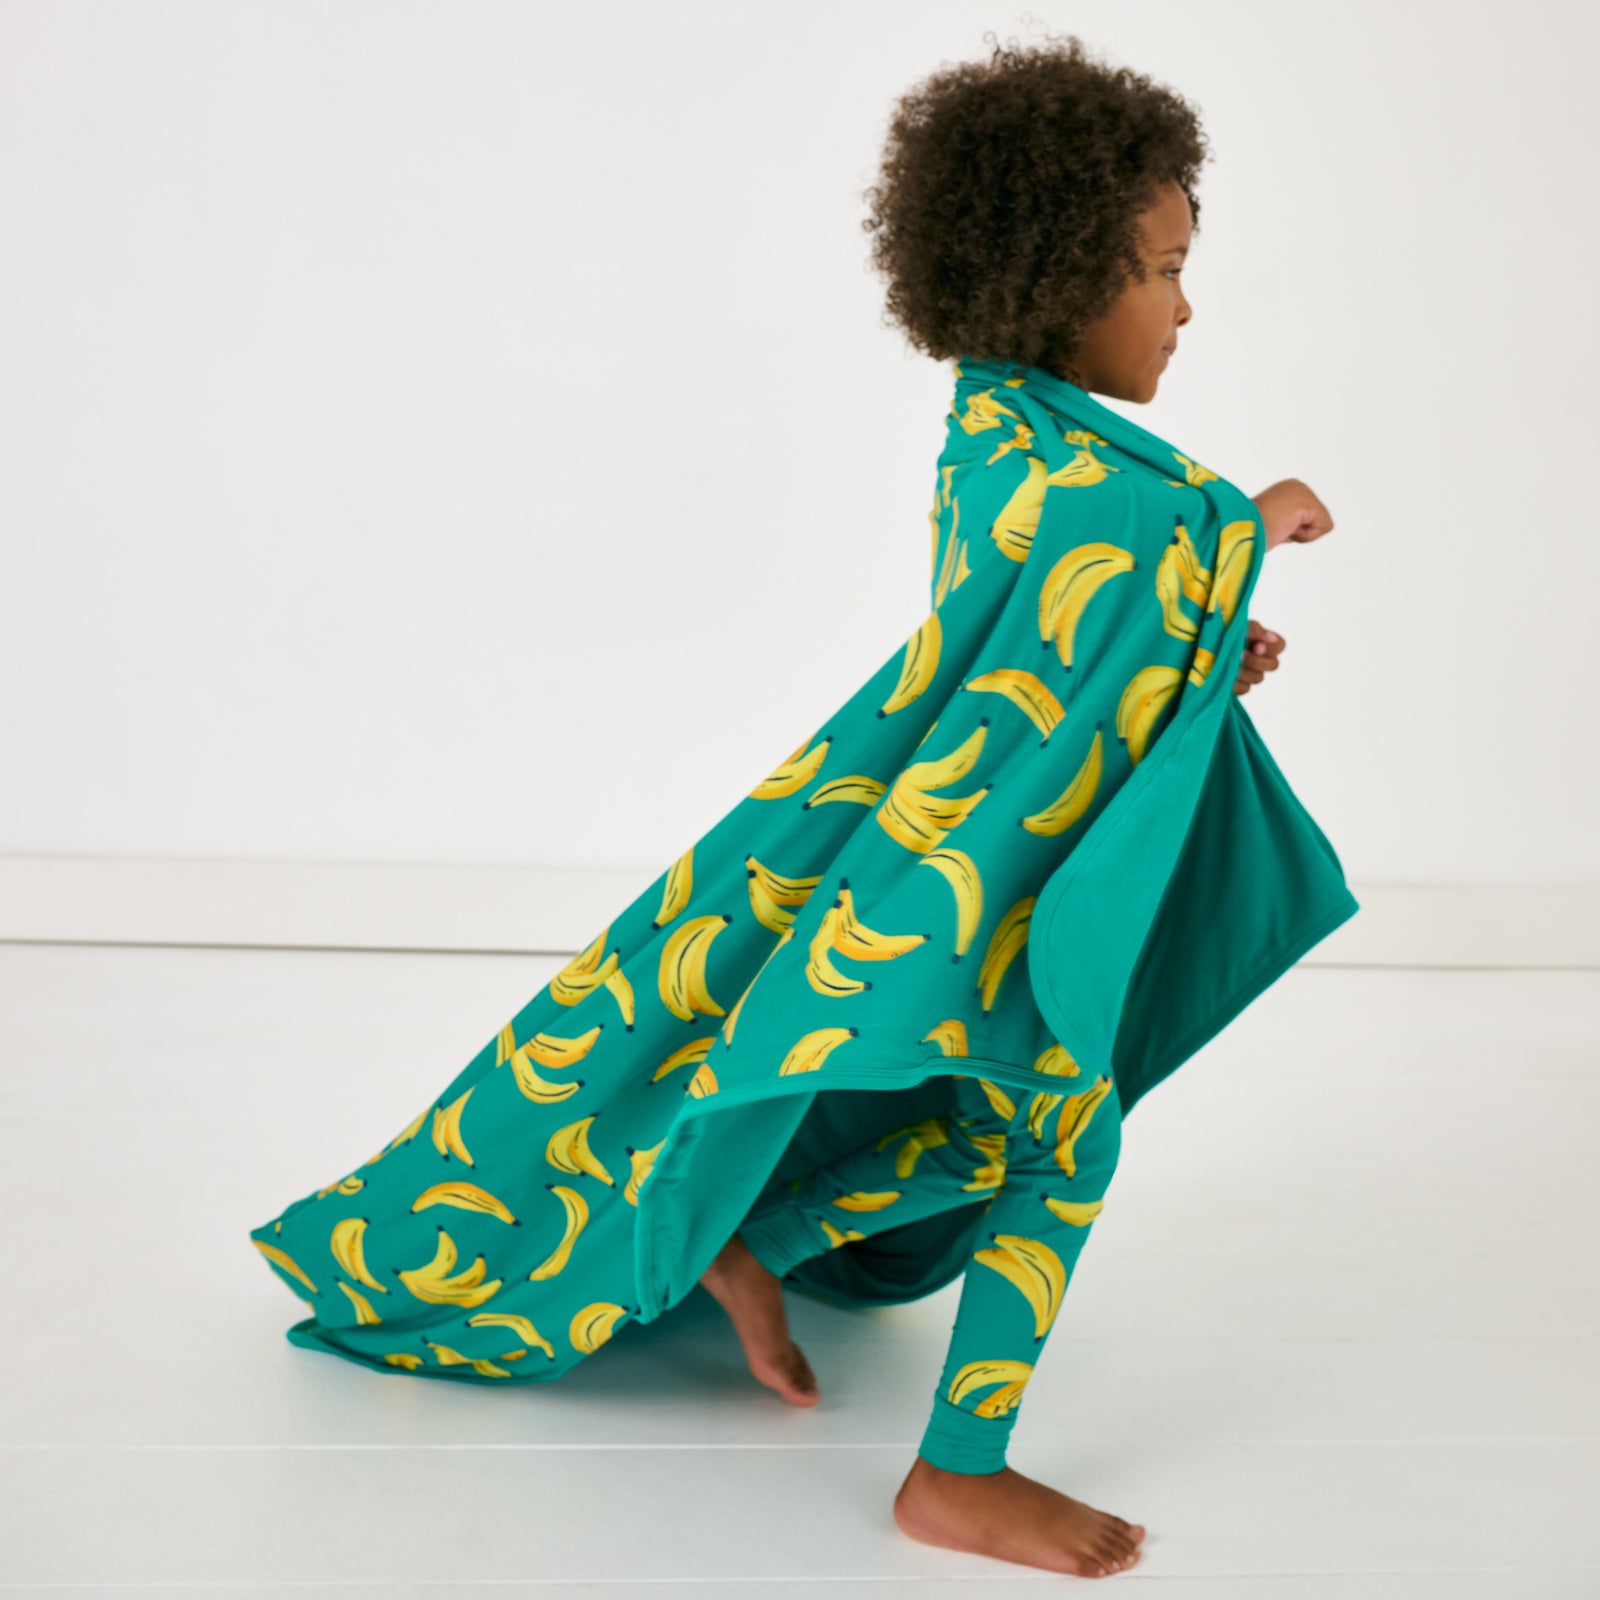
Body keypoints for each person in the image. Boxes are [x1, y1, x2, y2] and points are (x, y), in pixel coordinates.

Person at [249, 28, 1349, 1586]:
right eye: (1162, 270)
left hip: (1000, 864)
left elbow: (1061, 654)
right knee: (1062, 1142)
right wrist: (1251, 523)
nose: (1185, 307)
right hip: (975, 878)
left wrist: (1199, 651)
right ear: (1055, 278)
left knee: (1008, 1132)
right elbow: (1119, 574)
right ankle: (954, 1475)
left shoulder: (1024, 432)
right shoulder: (1058, 468)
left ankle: (754, 1245)